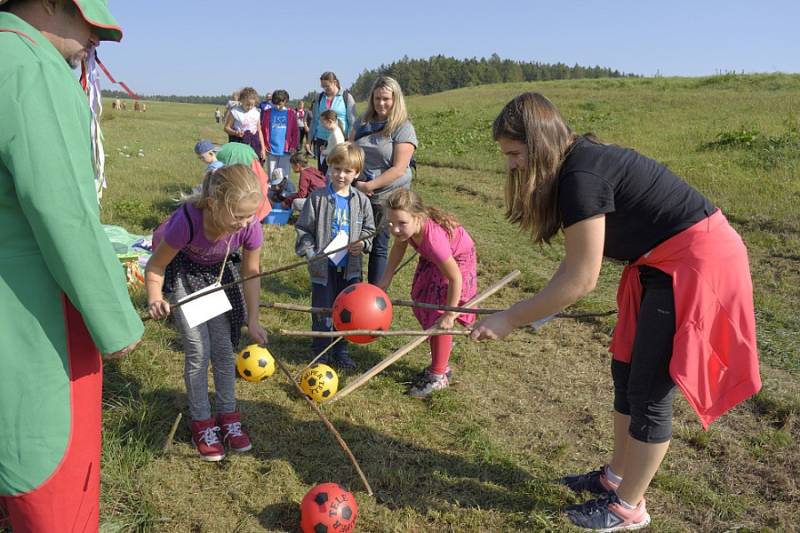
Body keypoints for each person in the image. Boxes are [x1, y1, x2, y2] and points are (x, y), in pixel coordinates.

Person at [469, 92, 761, 531]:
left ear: (540, 142)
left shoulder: (581, 176)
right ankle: (616, 478)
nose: (510, 165)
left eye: (514, 153)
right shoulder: (575, 167)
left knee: (648, 390)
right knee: (626, 374)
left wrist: (511, 318)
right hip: (659, 265)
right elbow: (572, 267)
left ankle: (628, 507)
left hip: (695, 265)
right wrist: (527, 312)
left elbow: (581, 280)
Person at [0, 0, 144, 530]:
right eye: (92, 23)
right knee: (50, 496)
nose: (96, 40)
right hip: (33, 323)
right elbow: (61, 211)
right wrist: (116, 321)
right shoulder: (32, 68)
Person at [146, 164, 268, 462]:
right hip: (183, 273)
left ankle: (228, 417)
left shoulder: (250, 226)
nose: (244, 223)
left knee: (224, 350)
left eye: (250, 215)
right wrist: (154, 297)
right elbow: (156, 266)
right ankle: (202, 422)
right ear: (213, 204)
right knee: (199, 350)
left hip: (217, 276)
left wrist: (253, 318)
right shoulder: (186, 222)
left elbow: (251, 272)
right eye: (238, 216)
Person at [377, 189, 477, 398]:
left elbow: (455, 278)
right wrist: (386, 278)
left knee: (438, 316)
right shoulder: (407, 229)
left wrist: (450, 314)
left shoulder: (434, 241)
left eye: (401, 223)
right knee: (422, 298)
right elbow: (398, 247)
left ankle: (439, 374)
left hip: (457, 262)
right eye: (391, 223)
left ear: (418, 217)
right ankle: (439, 360)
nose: (395, 229)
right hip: (436, 261)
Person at [295, 143, 375, 370]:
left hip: (350, 268)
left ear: (357, 173)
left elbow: (370, 230)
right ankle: (320, 351)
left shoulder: (361, 201)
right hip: (324, 267)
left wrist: (363, 243)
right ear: (329, 167)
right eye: (337, 168)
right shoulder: (317, 198)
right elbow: (304, 229)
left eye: (347, 171)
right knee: (322, 308)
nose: (341, 175)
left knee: (348, 309)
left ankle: (341, 350)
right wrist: (311, 254)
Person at [351, 76, 418, 285]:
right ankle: (351, 288)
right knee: (355, 241)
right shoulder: (362, 122)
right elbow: (349, 148)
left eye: (386, 99)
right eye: (377, 98)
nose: (381, 103)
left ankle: (374, 293)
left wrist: (369, 186)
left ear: (396, 99)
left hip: (385, 197)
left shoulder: (403, 128)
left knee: (379, 245)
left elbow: (399, 169)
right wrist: (355, 181)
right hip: (358, 192)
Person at [307, 71, 356, 171]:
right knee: (323, 172)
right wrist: (309, 140)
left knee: (338, 171)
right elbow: (315, 120)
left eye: (327, 86)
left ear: (334, 82)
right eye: (323, 86)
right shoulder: (319, 98)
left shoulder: (346, 97)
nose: (325, 89)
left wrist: (350, 142)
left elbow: (352, 122)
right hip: (321, 140)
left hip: (340, 141)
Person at [261, 89, 298, 182]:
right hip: (271, 149)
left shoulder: (291, 113)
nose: (277, 106)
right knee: (272, 175)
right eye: (275, 104)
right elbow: (263, 130)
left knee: (284, 175)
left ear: (285, 101)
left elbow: (295, 131)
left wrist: (293, 146)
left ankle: (284, 193)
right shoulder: (268, 112)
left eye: (279, 104)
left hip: (286, 150)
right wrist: (264, 144)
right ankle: (271, 193)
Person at [224, 86, 265, 161]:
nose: (250, 107)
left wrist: (262, 148)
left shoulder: (256, 112)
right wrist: (235, 132)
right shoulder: (235, 112)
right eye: (247, 104)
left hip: (253, 143)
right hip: (239, 143)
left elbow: (259, 131)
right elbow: (226, 128)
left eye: (252, 105)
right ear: (241, 100)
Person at [319, 109, 345, 174]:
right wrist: (326, 148)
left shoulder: (336, 134)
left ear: (330, 121)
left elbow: (338, 151)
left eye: (322, 122)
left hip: (335, 167)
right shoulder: (334, 132)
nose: (321, 124)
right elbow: (333, 147)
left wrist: (324, 152)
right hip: (332, 165)